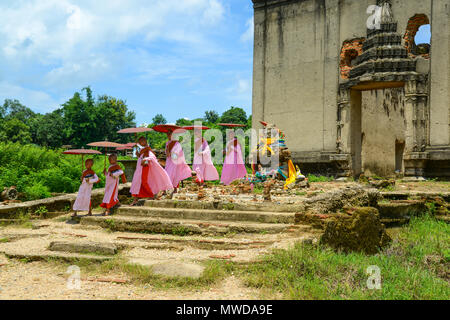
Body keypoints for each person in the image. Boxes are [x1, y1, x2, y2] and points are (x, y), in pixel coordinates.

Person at [130, 137, 173, 206]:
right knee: (137, 183)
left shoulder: (148, 149)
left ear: (145, 141)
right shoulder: (142, 150)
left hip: (145, 168)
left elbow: (152, 157)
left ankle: (151, 195)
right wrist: (138, 155)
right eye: (139, 141)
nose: (140, 142)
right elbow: (140, 158)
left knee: (144, 182)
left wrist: (145, 159)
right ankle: (136, 199)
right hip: (139, 169)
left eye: (142, 141)